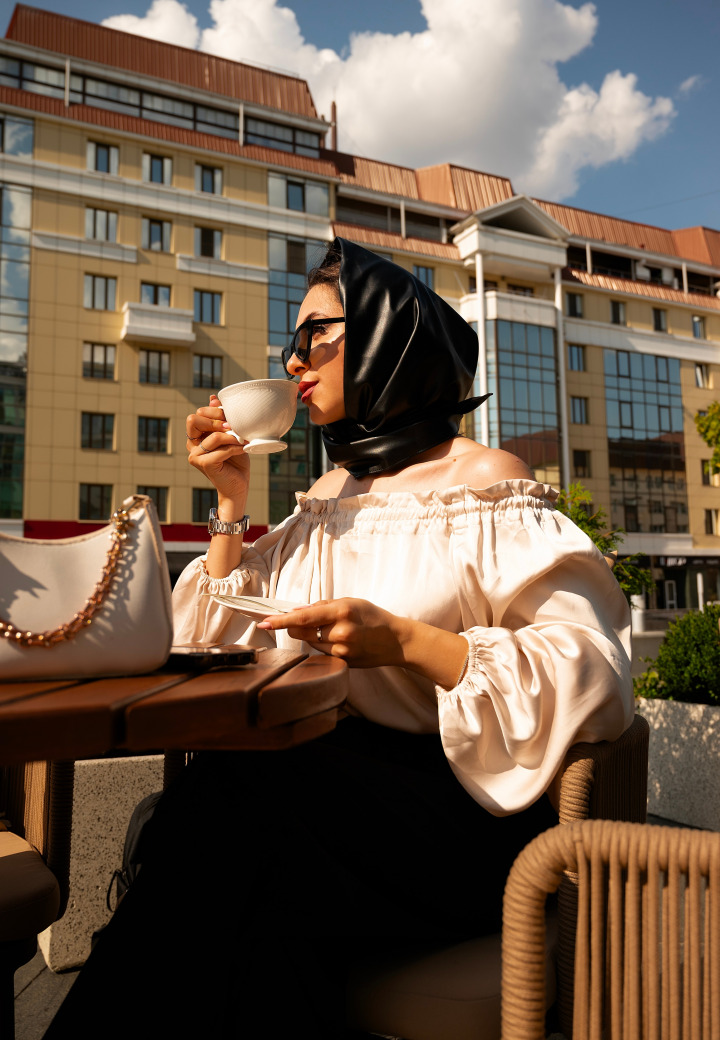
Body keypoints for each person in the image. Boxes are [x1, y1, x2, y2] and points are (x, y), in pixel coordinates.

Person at [46, 238, 633, 1039]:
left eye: (315, 333)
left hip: (465, 810)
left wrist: (409, 643)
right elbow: (208, 637)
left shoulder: (481, 482)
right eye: (291, 342)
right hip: (332, 798)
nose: (293, 361)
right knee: (247, 878)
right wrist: (228, 506)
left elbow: (594, 670)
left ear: (390, 334)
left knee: (230, 818)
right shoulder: (329, 495)